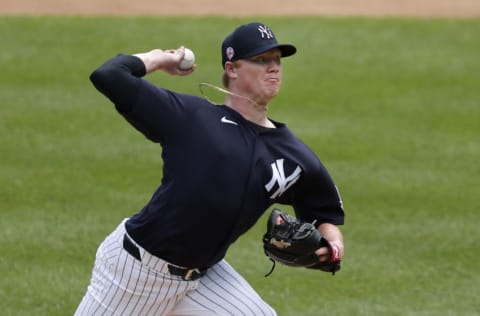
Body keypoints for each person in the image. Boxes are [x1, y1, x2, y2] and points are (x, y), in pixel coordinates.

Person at [75, 22, 345, 316]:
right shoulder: (190, 117)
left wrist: (331, 244)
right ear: (232, 69)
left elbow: (323, 212)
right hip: (135, 273)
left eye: (277, 59)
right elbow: (109, 75)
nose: (273, 68)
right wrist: (159, 57)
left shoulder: (292, 153)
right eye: (261, 59)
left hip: (204, 278)